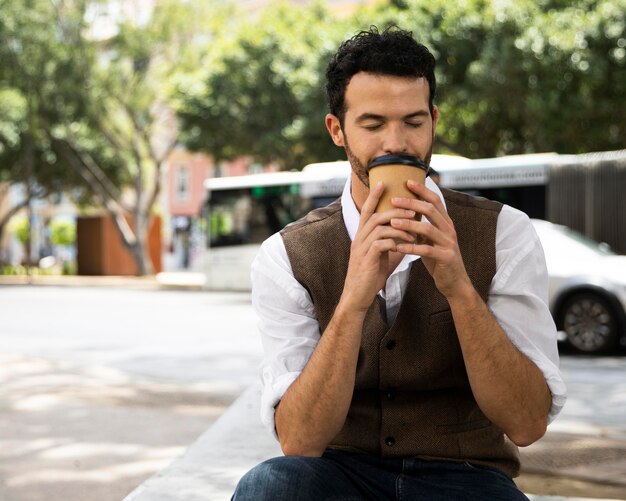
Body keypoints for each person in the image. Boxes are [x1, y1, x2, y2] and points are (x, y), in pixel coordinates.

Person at [233, 26, 566, 500]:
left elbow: (527, 423)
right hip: (339, 475)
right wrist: (353, 300)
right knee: (269, 486)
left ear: (433, 120)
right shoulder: (286, 255)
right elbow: (299, 440)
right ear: (337, 130)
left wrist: (459, 288)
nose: (398, 143)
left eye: (413, 122)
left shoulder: (504, 233)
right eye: (372, 125)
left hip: (465, 475)